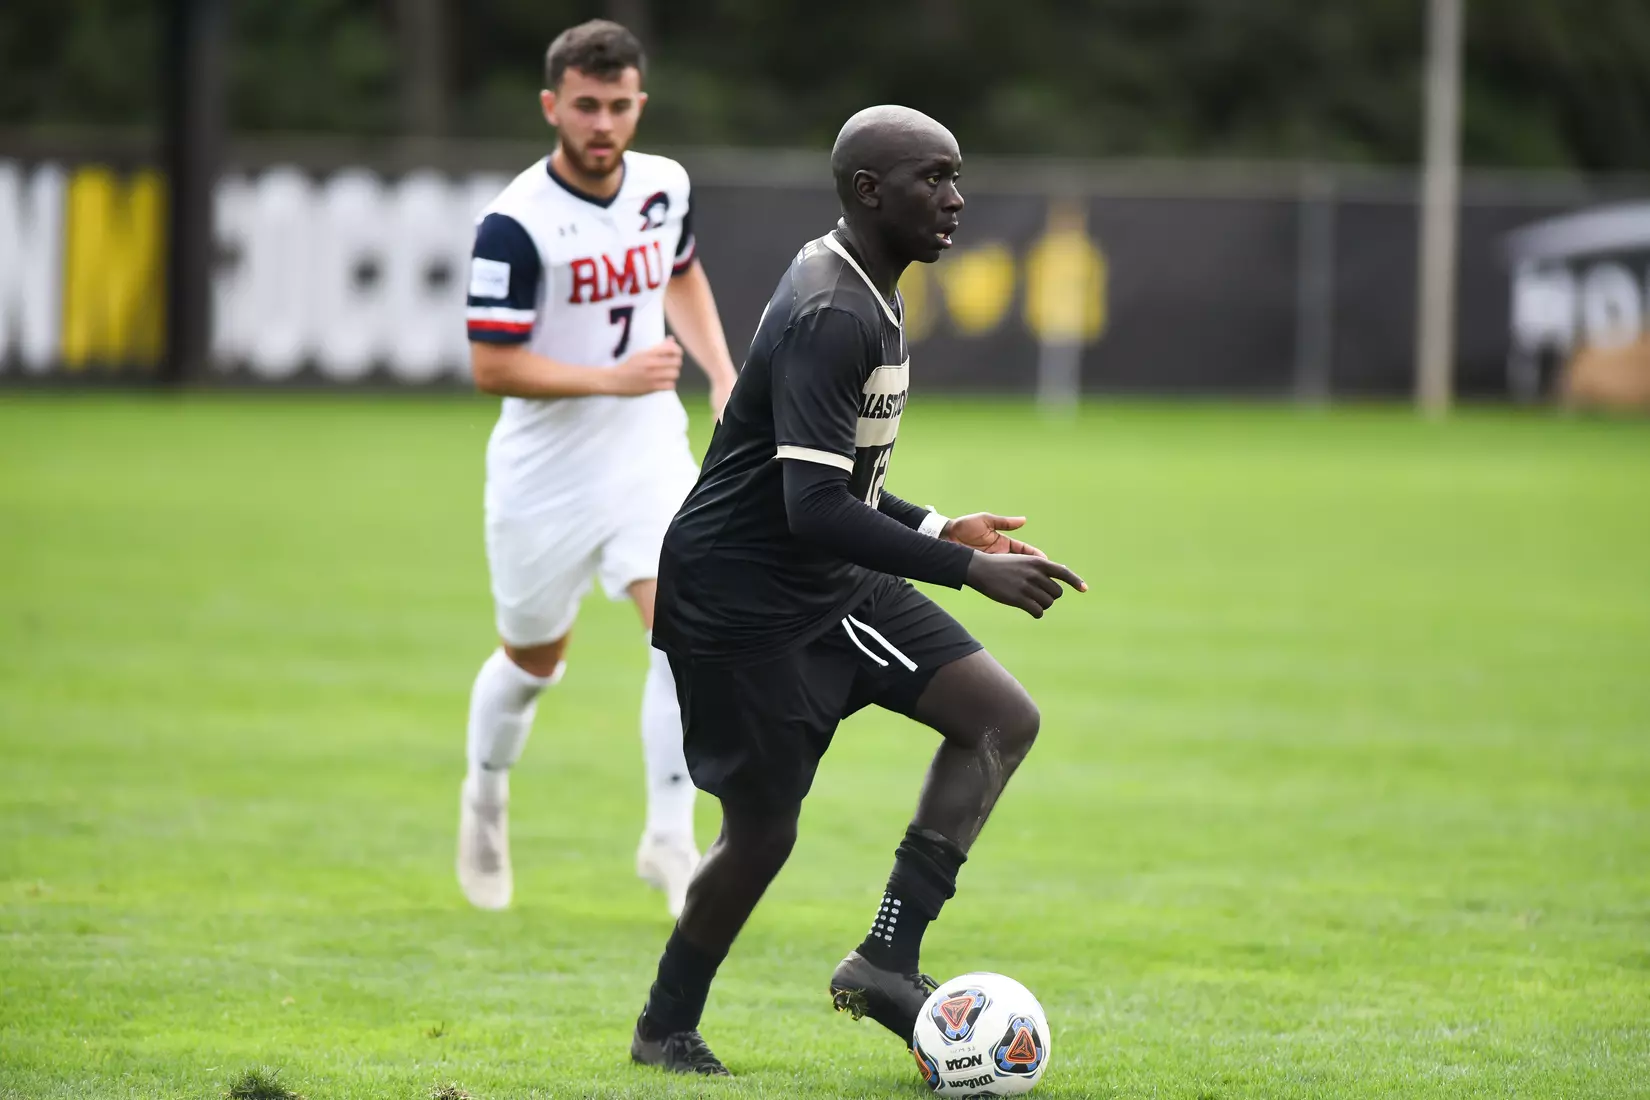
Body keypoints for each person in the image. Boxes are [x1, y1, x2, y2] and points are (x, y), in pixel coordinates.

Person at [627, 104, 1086, 1075]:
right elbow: (811, 507)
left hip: (822, 578)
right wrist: (972, 571)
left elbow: (836, 486)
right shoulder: (833, 310)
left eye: (957, 176)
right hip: (745, 604)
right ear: (870, 192)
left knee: (999, 716)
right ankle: (664, 1025)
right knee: (761, 834)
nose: (956, 198)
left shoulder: (864, 283)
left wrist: (934, 526)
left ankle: (886, 955)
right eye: (934, 178)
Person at [457, 19, 738, 918]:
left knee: (686, 631)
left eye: (619, 105)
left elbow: (681, 273)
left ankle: (670, 837)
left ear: (639, 104)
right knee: (533, 662)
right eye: (586, 105)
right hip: (545, 476)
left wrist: (723, 372)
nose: (603, 122)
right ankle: (487, 792)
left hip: (647, 451)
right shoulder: (515, 222)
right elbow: (491, 365)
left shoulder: (664, 185)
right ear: (552, 105)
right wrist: (608, 379)